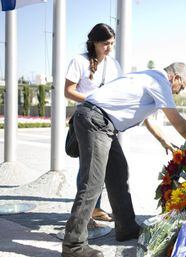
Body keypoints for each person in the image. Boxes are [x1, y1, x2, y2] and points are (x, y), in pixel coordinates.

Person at [61, 62, 186, 257]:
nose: (179, 92)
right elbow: (177, 121)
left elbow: (145, 119)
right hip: (96, 120)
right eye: (182, 87)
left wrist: (163, 140)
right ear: (175, 78)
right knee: (92, 182)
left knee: (118, 173)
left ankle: (126, 228)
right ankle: (73, 244)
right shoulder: (160, 82)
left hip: (103, 123)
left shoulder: (148, 78)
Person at [65, 23, 122, 223]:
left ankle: (95, 209)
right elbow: (68, 91)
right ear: (94, 42)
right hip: (86, 120)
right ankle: (84, 214)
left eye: (112, 43)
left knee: (103, 167)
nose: (109, 48)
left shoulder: (114, 65)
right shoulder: (79, 61)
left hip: (107, 122)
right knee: (88, 168)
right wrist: (91, 100)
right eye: (105, 44)